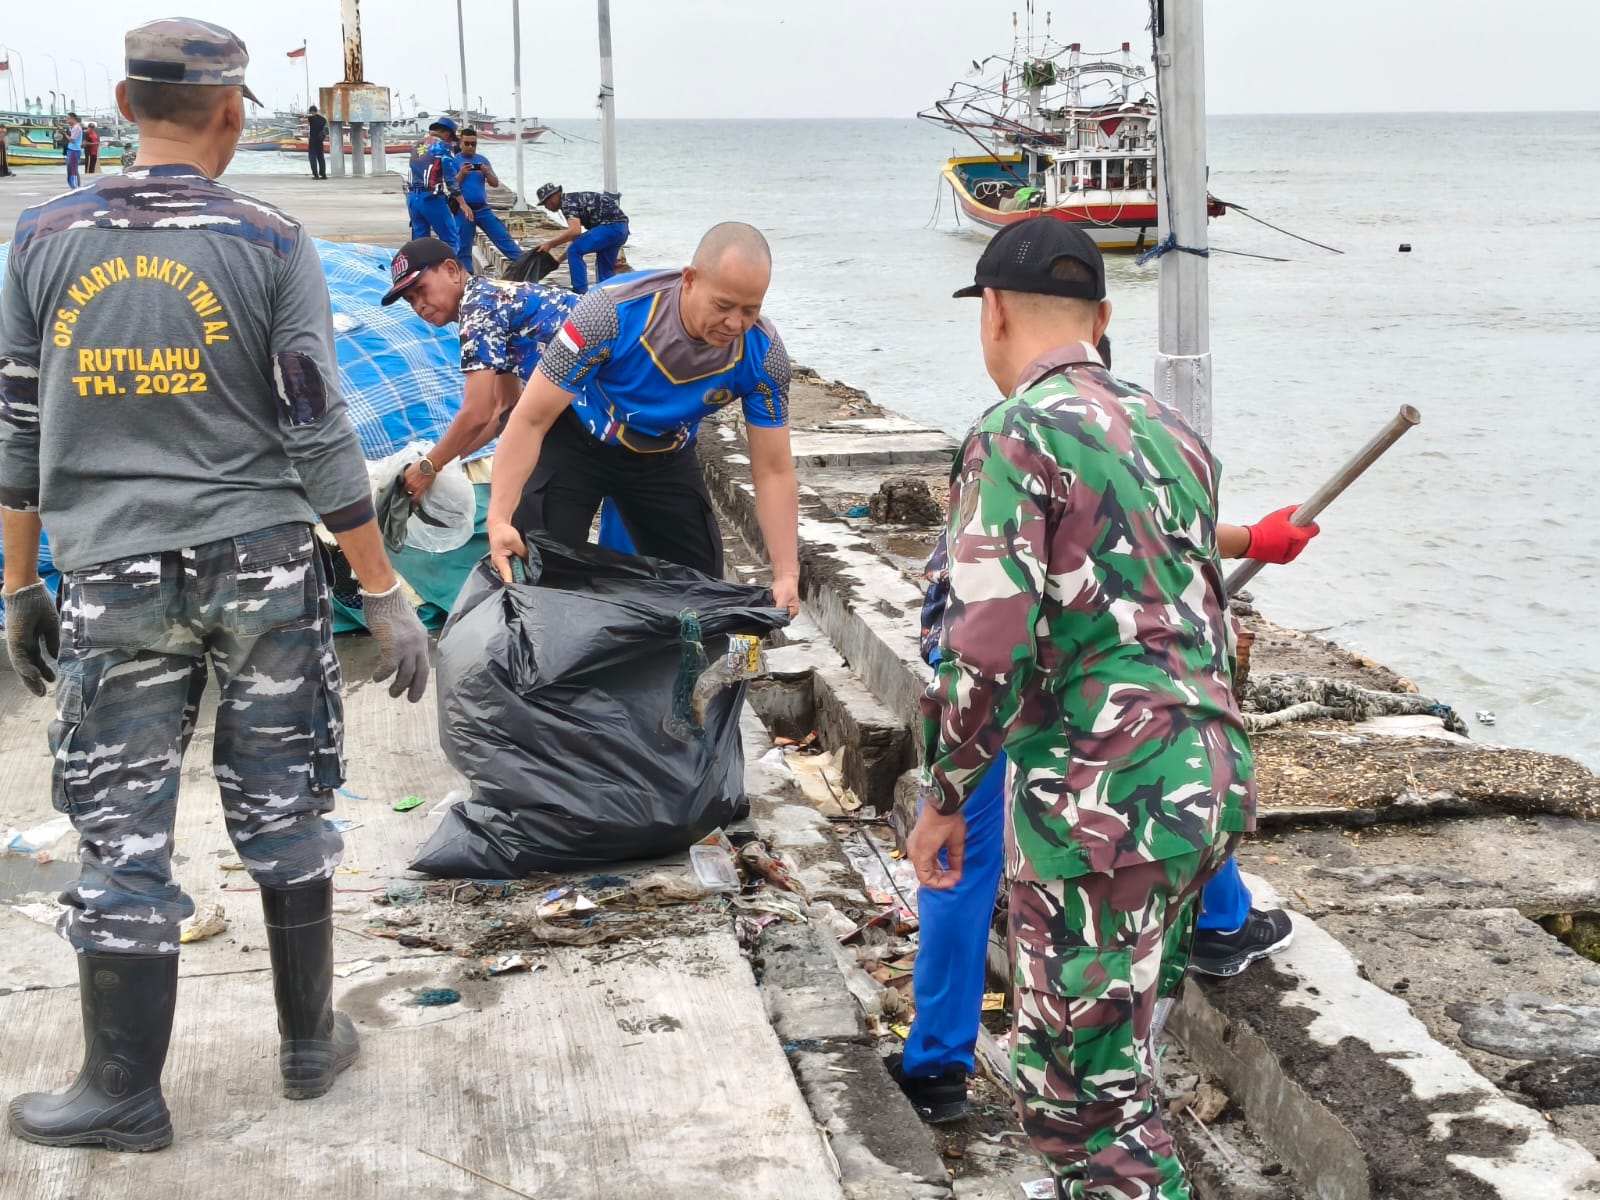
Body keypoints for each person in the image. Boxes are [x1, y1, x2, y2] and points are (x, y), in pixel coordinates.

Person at [0, 18, 430, 1153]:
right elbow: (316, 430)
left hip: (111, 571)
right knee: (284, 797)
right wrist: (382, 591)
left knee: (121, 824)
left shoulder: (42, 237)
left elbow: (17, 425)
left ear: (120, 105)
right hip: (262, 564)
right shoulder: (268, 240)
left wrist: (16, 589)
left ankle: (123, 1092)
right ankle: (305, 1043)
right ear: (233, 113)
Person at [906, 220, 1255, 1200]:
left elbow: (983, 643)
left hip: (1097, 807)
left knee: (1080, 1113)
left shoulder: (1014, 432)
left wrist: (944, 795)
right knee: (1119, 1076)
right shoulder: (1172, 433)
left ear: (995, 312)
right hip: (1204, 788)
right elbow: (1202, 608)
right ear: (1101, 321)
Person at [891, 395, 1313, 1123]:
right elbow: (1160, 532)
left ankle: (935, 1067)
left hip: (971, 670)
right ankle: (1221, 924)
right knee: (1168, 763)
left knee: (958, 864)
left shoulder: (1015, 438)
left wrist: (1257, 541)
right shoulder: (1127, 434)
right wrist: (1254, 541)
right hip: (1037, 680)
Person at [486, 222, 800, 614]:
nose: (735, 323)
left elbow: (773, 470)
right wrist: (498, 518)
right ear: (689, 280)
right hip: (578, 437)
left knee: (698, 591)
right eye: (722, 306)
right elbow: (529, 419)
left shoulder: (764, 355)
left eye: (750, 309)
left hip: (663, 453)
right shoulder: (610, 312)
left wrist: (787, 574)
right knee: (535, 571)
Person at [378, 236, 577, 503]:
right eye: (410, 300)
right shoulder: (488, 294)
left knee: (537, 503)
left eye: (421, 290)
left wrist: (429, 465)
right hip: (602, 381)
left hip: (614, 373)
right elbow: (505, 409)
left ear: (451, 270)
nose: (419, 306)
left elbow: (477, 411)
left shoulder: (477, 310)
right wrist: (446, 464)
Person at [533, 181, 629, 294]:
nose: (546, 207)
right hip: (621, 229)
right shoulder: (573, 199)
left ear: (553, 198)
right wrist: (558, 261)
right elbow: (576, 237)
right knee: (604, 270)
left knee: (574, 250)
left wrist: (550, 244)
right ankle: (609, 297)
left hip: (609, 228)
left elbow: (574, 231)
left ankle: (580, 291)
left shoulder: (567, 203)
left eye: (545, 204)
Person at [451, 129, 523, 267]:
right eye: (467, 143)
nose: (471, 147)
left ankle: (522, 262)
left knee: (502, 236)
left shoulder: (482, 160)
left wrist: (487, 172)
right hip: (464, 210)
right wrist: (462, 173)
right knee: (464, 246)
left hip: (482, 209)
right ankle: (467, 275)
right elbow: (451, 185)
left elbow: (495, 183)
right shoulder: (454, 161)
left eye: (474, 144)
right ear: (460, 143)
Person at [405, 117, 458, 253]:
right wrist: (461, 201)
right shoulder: (443, 147)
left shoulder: (415, 145)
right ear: (446, 133)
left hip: (412, 198)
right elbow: (450, 178)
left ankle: (422, 271)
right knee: (451, 240)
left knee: (420, 244)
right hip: (431, 198)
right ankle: (452, 272)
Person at [306, 104, 327, 180]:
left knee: (312, 157)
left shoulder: (311, 118)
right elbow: (323, 123)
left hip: (313, 140)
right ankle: (323, 174)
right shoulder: (323, 119)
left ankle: (316, 175)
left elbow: (309, 120)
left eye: (311, 112)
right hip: (320, 140)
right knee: (321, 157)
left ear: (312, 111)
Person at [64, 112, 83, 188]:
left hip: (74, 151)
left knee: (73, 170)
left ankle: (75, 187)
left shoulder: (76, 128)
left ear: (72, 118)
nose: (67, 121)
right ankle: (74, 186)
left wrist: (64, 134)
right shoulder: (74, 127)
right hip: (72, 150)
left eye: (68, 119)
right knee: (71, 169)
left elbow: (72, 140)